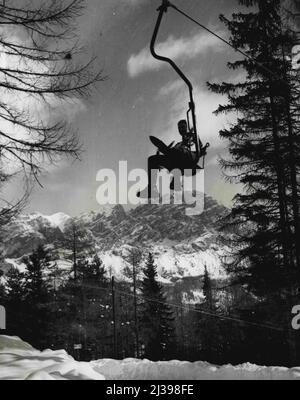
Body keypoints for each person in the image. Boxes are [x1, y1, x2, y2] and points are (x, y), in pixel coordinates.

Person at [138, 119, 203, 199]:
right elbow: (175, 151)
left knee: (176, 152)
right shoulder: (178, 144)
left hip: (188, 160)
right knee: (152, 160)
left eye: (183, 127)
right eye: (179, 128)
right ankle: (151, 190)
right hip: (175, 162)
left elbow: (200, 148)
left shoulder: (192, 137)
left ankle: (166, 150)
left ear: (186, 127)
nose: (181, 129)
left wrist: (193, 137)